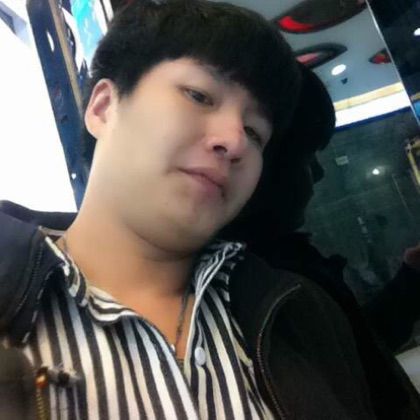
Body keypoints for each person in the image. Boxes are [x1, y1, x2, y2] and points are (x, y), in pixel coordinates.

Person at [0, 1, 418, 419]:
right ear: (104, 107)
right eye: (198, 95)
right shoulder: (14, 306)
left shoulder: (299, 313)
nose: (234, 141)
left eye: (255, 132)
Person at [221, 64, 420, 419]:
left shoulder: (286, 261)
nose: (318, 172)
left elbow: (354, 355)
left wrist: (411, 277)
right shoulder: (266, 282)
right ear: (266, 168)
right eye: (307, 156)